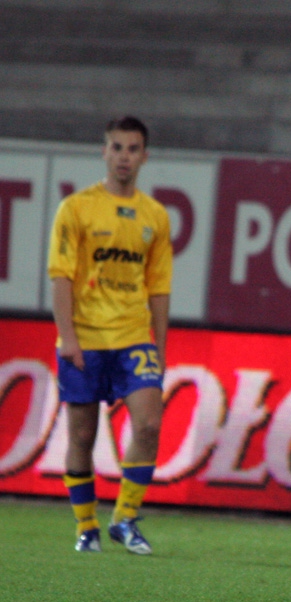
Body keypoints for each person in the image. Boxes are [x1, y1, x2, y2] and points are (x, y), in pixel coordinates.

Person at [48, 115, 172, 555]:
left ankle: (125, 517)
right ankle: (86, 527)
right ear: (104, 152)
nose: (124, 156)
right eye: (116, 147)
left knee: (149, 423)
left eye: (132, 148)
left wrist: (160, 347)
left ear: (144, 155)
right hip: (85, 337)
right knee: (82, 437)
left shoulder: (155, 216)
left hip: (134, 335)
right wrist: (68, 338)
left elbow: (158, 288)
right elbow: (61, 278)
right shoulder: (76, 208)